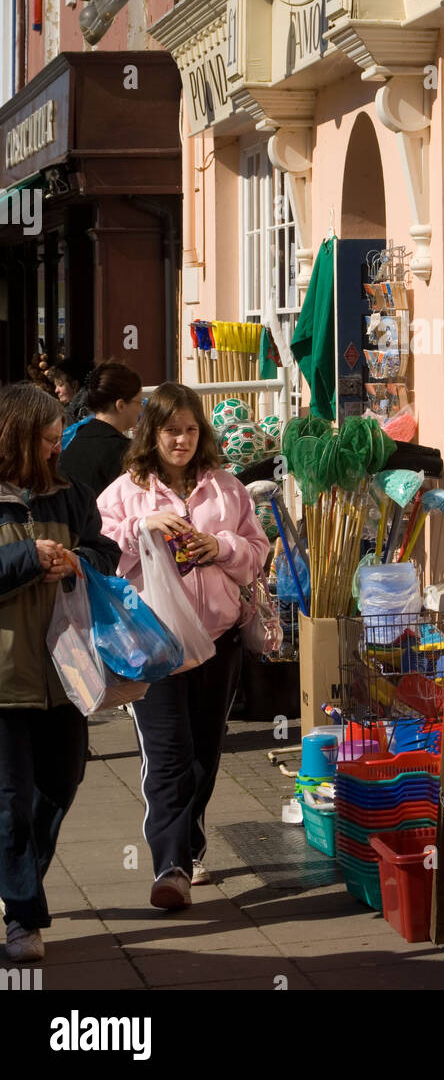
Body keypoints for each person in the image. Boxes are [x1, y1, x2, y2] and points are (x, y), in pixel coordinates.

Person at [98, 383, 269, 910]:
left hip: (218, 643)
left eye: (191, 429)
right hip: (154, 646)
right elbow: (100, 550)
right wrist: (139, 526)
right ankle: (169, 866)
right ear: (153, 433)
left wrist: (221, 546)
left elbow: (258, 551)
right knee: (168, 755)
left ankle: (189, 846)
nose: (182, 439)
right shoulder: (126, 490)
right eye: (172, 429)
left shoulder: (226, 488)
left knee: (204, 755)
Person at [0, 384, 120, 963]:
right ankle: (23, 918)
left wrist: (78, 561)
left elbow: (106, 551)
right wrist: (28, 559)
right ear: (17, 436)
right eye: (48, 440)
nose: (56, 450)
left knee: (62, 782)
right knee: (10, 800)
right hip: (4, 678)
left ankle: (18, 880)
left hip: (66, 671)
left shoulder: (69, 493)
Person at [60, 361, 143, 496]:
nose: (141, 408)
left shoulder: (75, 439)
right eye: (138, 402)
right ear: (121, 405)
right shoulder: (124, 451)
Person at [48, 358, 90, 427]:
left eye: (60, 385)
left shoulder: (83, 410)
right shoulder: (71, 410)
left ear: (74, 385)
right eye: (55, 385)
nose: (56, 390)